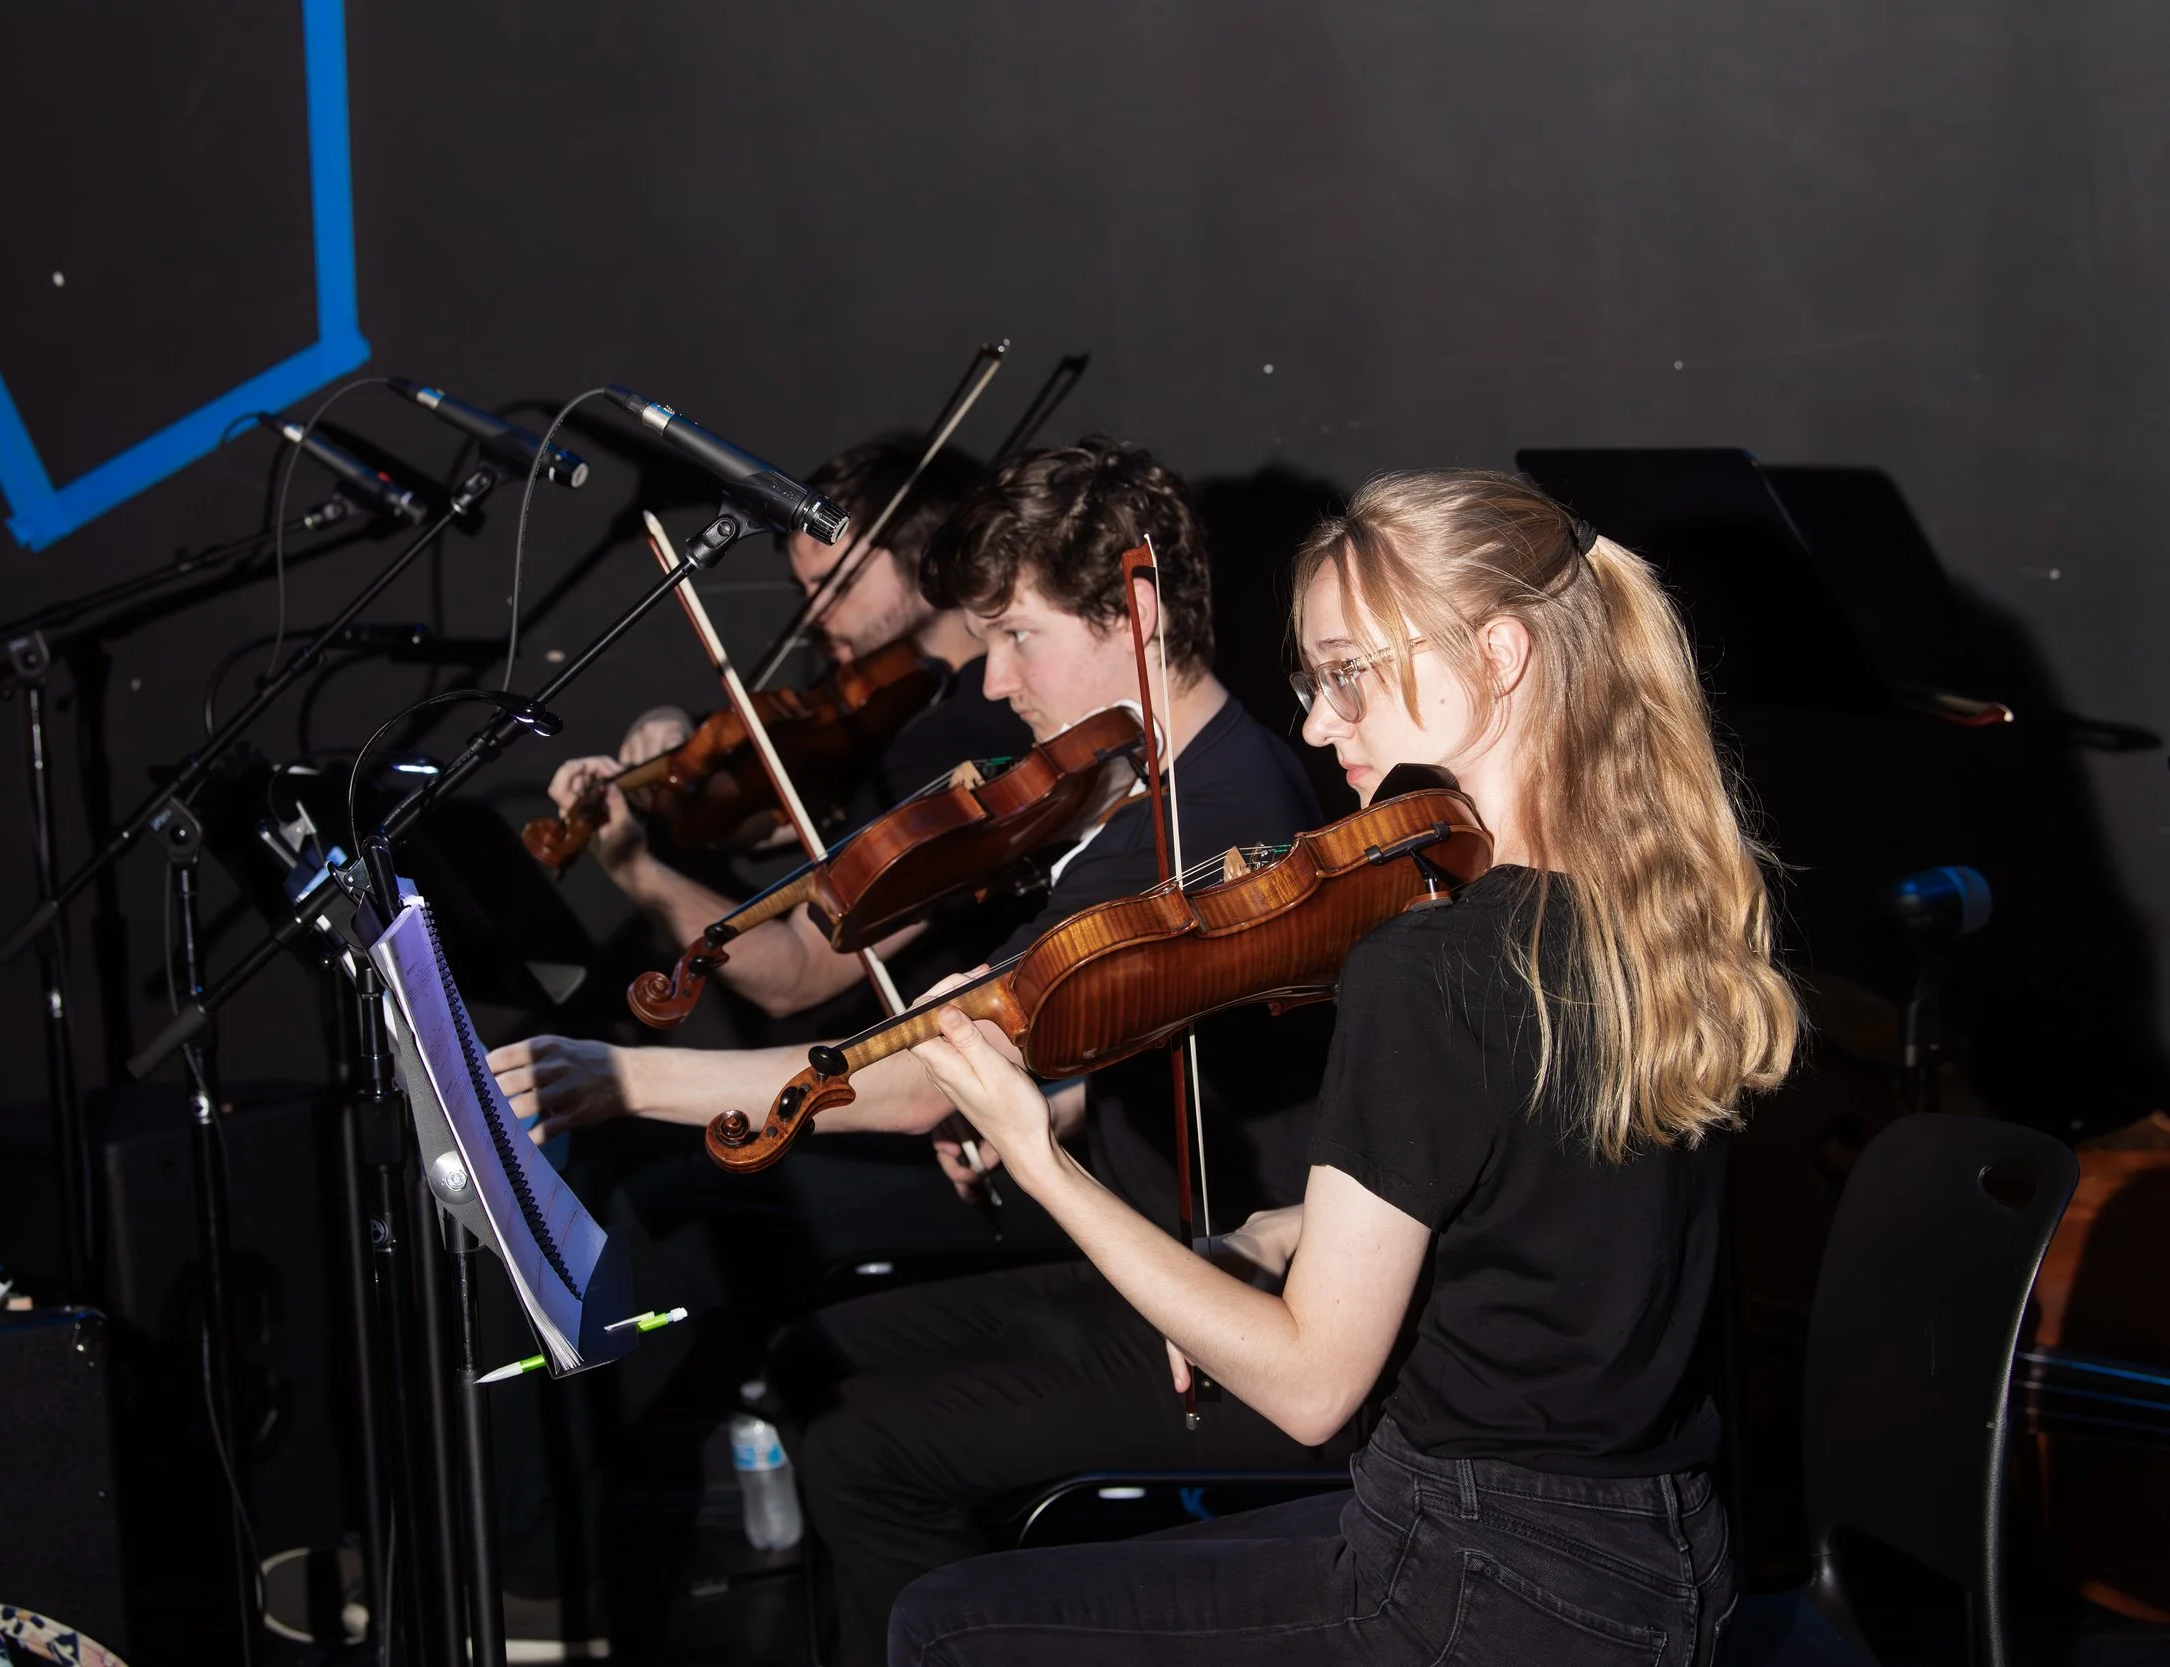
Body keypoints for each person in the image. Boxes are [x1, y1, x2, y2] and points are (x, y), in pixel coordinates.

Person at [886, 469, 1803, 1666]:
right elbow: (1539, 1227)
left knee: (944, 1625)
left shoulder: (1432, 962)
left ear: (1502, 652)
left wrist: (1038, 1159)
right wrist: (1276, 1231)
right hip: (1660, 1555)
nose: (1318, 726)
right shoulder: (1662, 910)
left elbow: (1311, 1389)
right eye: (1314, 684)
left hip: (1478, 1579)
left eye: (1347, 675)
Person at [493, 439, 1347, 1667]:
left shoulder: (1210, 822)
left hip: (1231, 1304)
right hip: (1159, 1259)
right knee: (811, 1356)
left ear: (1138, 612)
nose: (991, 683)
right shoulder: (1128, 784)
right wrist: (1042, 1094)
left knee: (862, 1446)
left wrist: (620, 1076)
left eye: (1018, 637)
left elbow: (902, 1082)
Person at [545, 434, 1030, 1025]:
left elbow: (796, 972)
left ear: (930, 557)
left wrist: (634, 868)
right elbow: (755, 791)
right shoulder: (884, 708)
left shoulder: (963, 740)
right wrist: (672, 730)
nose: (814, 613)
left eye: (837, 584)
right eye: (804, 589)